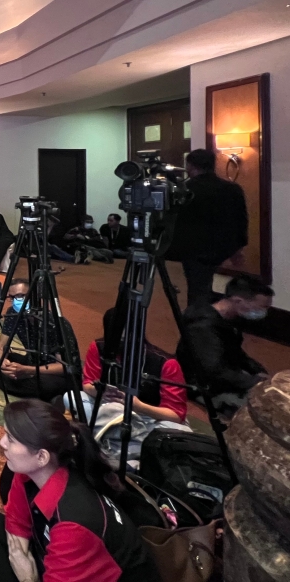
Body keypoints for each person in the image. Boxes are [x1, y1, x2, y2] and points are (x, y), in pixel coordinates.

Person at [0, 399, 160, 582]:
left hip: (86, 567)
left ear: (41, 456)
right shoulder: (30, 471)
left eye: (11, 439)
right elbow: (16, 523)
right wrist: (19, 554)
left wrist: (27, 577)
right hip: (56, 558)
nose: (2, 443)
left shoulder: (74, 522)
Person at [69, 308, 190, 465]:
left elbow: (176, 415)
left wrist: (138, 406)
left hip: (151, 417)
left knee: (180, 432)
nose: (119, 340)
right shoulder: (99, 347)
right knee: (72, 397)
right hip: (112, 409)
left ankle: (122, 444)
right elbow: (87, 385)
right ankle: (139, 447)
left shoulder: (166, 363)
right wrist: (101, 391)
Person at [0, 279, 72, 401]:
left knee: (48, 386)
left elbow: (63, 367)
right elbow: (1, 347)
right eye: (12, 297)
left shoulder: (55, 323)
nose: (17, 300)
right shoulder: (13, 313)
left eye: (21, 295)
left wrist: (27, 371)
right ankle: (17, 381)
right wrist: (2, 359)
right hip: (31, 362)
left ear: (33, 295)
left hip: (53, 373)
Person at [177, 275, 270, 415]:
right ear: (238, 301)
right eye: (262, 307)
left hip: (226, 374)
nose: (264, 311)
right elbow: (213, 372)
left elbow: (236, 353)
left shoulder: (228, 319)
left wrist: (256, 370)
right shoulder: (202, 327)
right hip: (203, 385)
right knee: (266, 410)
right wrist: (253, 382)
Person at [166, 149, 249, 306]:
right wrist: (238, 249)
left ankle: (197, 323)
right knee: (207, 287)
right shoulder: (233, 189)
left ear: (190, 166)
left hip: (193, 249)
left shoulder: (185, 190)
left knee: (197, 290)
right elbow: (241, 220)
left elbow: (174, 220)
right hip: (224, 247)